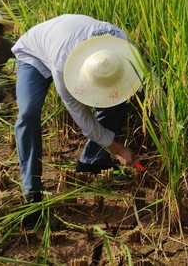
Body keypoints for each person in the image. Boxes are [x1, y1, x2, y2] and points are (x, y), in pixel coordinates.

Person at [13, 14, 145, 225]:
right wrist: (118, 149)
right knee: (28, 113)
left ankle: (92, 161)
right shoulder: (62, 67)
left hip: (67, 36)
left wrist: (167, 130)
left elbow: (149, 82)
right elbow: (83, 119)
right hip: (35, 54)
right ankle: (32, 192)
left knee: (117, 98)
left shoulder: (125, 46)